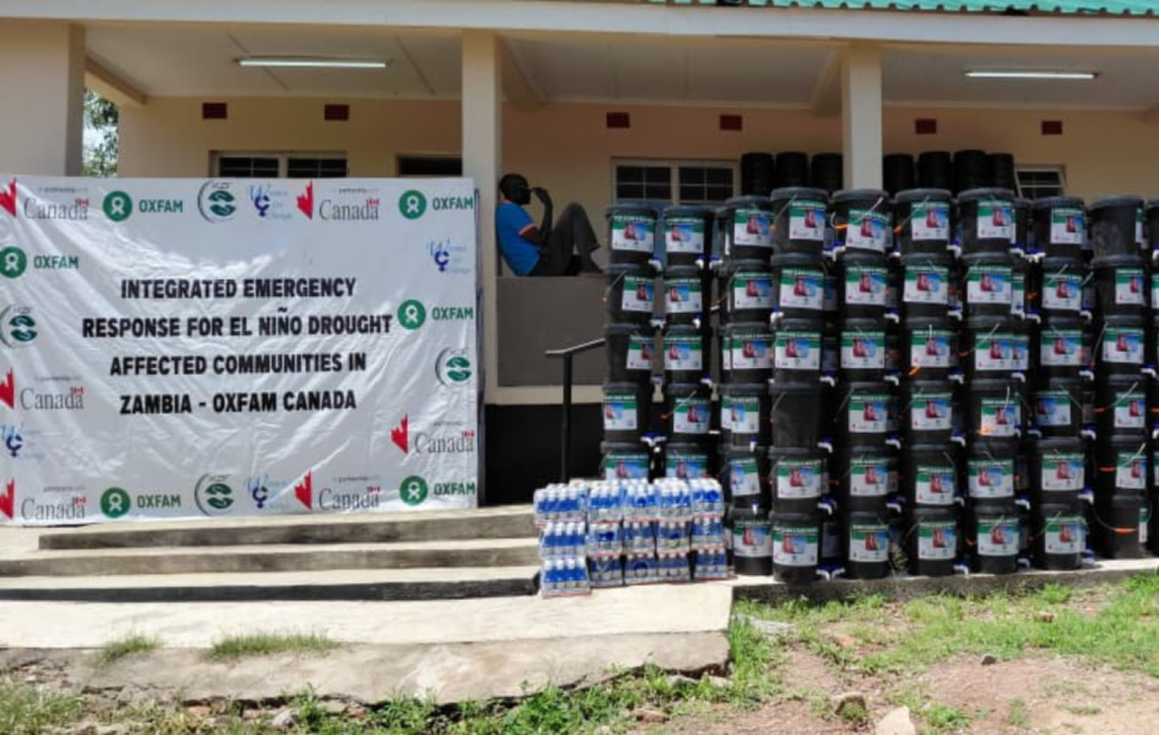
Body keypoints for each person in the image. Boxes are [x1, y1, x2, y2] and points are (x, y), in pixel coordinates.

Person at [495, 173, 602, 276]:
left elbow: (541, 240)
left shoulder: (506, 210)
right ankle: (588, 263)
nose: (530, 193)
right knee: (574, 209)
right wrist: (548, 206)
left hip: (537, 266)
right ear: (515, 190)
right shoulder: (510, 210)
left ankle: (590, 268)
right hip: (539, 267)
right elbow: (541, 239)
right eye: (526, 189)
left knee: (579, 263)